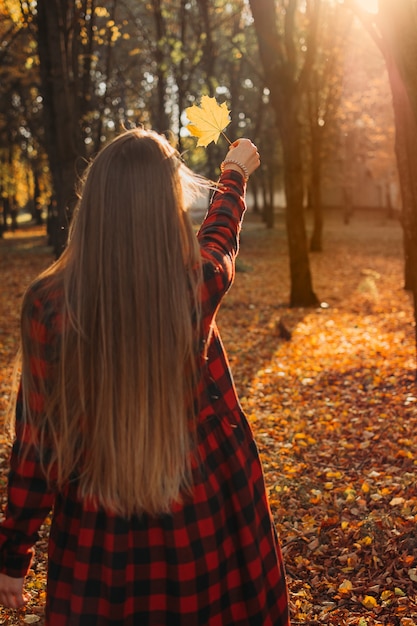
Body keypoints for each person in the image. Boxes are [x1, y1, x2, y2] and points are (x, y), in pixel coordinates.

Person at [0, 128, 290, 625]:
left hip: (98, 533)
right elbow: (219, 241)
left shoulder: (48, 305)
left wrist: (13, 556)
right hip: (203, 513)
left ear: (93, 206)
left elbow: (38, 443)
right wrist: (234, 173)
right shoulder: (194, 284)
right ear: (167, 208)